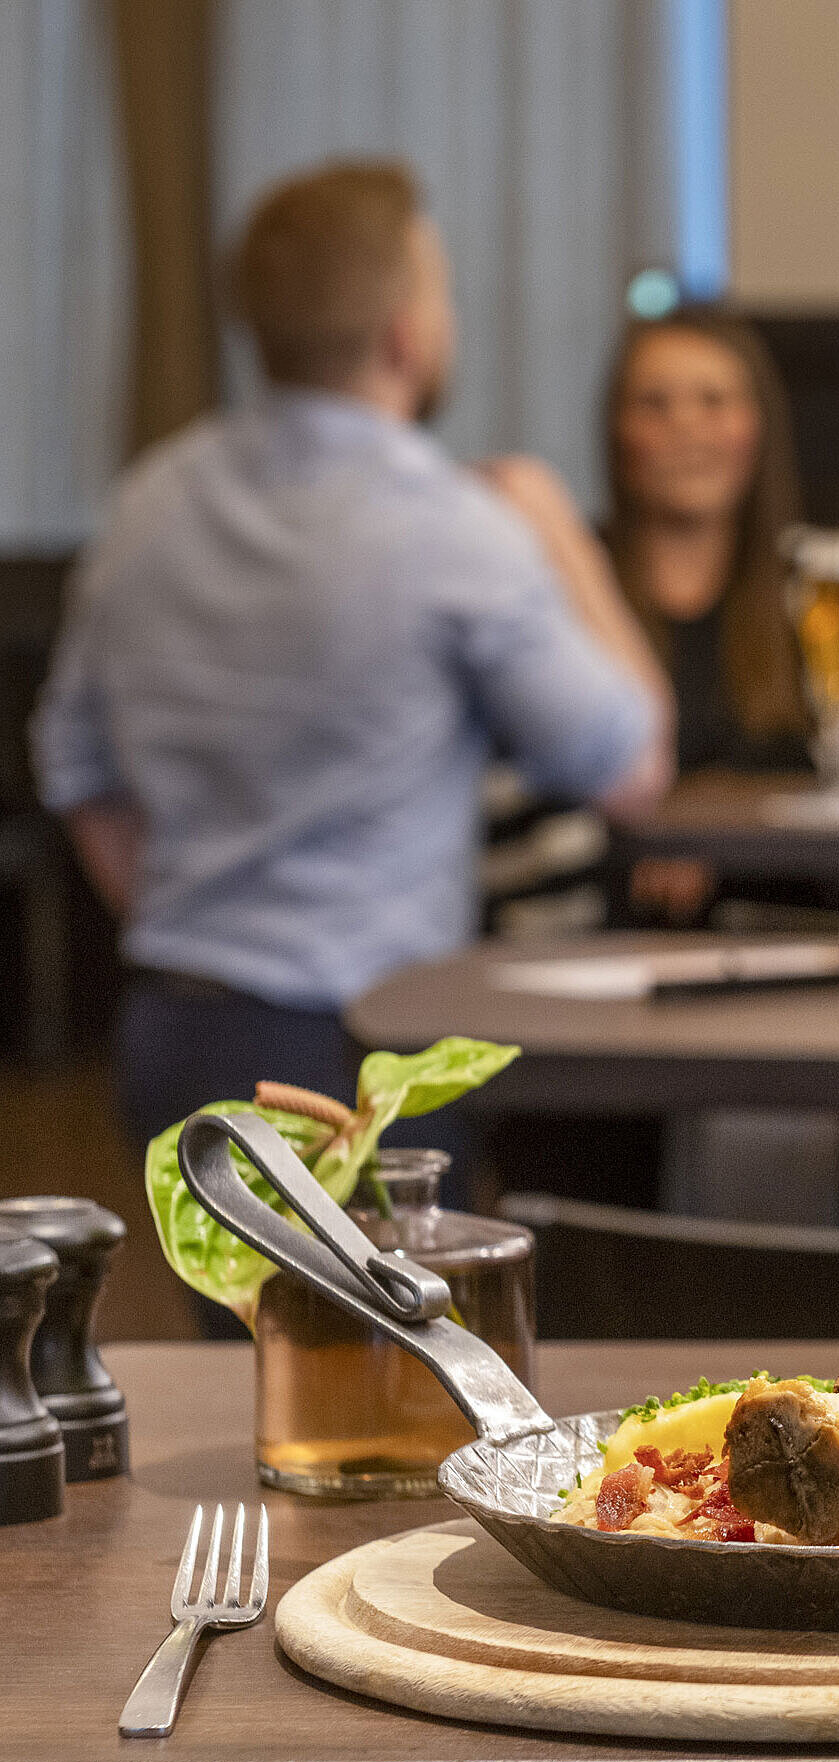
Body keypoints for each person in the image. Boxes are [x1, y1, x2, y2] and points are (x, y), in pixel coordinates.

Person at [32, 159, 671, 1158]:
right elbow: (629, 766)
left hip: (174, 1028)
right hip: (352, 1056)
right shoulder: (458, 527)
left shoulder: (147, 503)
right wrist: (563, 533)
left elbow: (74, 767)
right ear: (405, 334)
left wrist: (203, 918)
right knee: (376, 1324)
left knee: (245, 1323)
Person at [602, 308, 811, 774]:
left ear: (759, 426)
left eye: (713, 401)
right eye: (654, 403)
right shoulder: (569, 581)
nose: (686, 427)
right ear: (617, 431)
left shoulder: (820, 596)